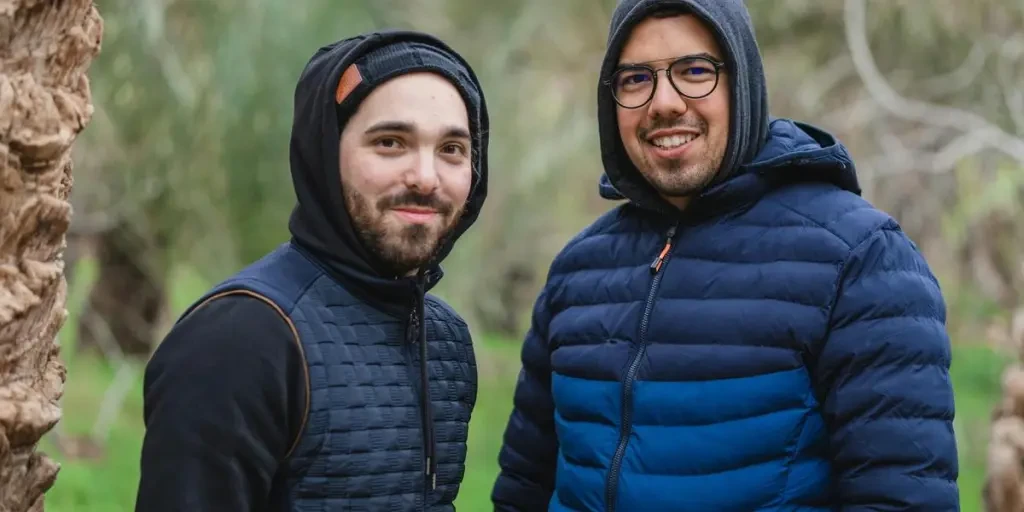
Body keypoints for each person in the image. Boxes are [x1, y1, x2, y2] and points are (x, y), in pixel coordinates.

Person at [491, 0, 959, 510]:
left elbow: (902, 498)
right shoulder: (578, 271)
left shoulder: (861, 260)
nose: (664, 102)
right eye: (635, 79)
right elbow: (523, 489)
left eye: (695, 71)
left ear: (745, 85)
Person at [136, 30, 489, 511]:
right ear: (325, 154)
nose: (426, 177)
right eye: (390, 142)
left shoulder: (446, 340)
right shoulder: (241, 339)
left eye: (451, 149)